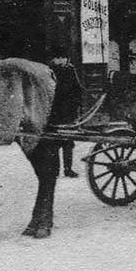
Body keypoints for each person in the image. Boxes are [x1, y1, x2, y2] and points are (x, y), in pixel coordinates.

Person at [49, 46, 83, 177]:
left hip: (68, 110)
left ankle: (68, 169)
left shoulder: (71, 69)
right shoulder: (50, 71)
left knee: (68, 142)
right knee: (54, 142)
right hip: (55, 110)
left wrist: (77, 103)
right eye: (58, 58)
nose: (60, 60)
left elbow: (77, 88)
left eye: (63, 58)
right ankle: (55, 169)